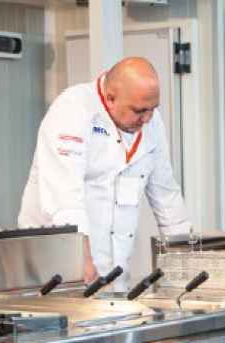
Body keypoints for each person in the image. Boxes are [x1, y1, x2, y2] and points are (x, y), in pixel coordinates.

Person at [18, 57, 191, 286]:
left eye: (153, 109)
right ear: (110, 98)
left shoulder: (150, 121)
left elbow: (166, 194)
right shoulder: (73, 109)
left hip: (114, 272)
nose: (148, 118)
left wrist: (186, 262)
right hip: (59, 267)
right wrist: (80, 260)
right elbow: (64, 196)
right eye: (139, 111)